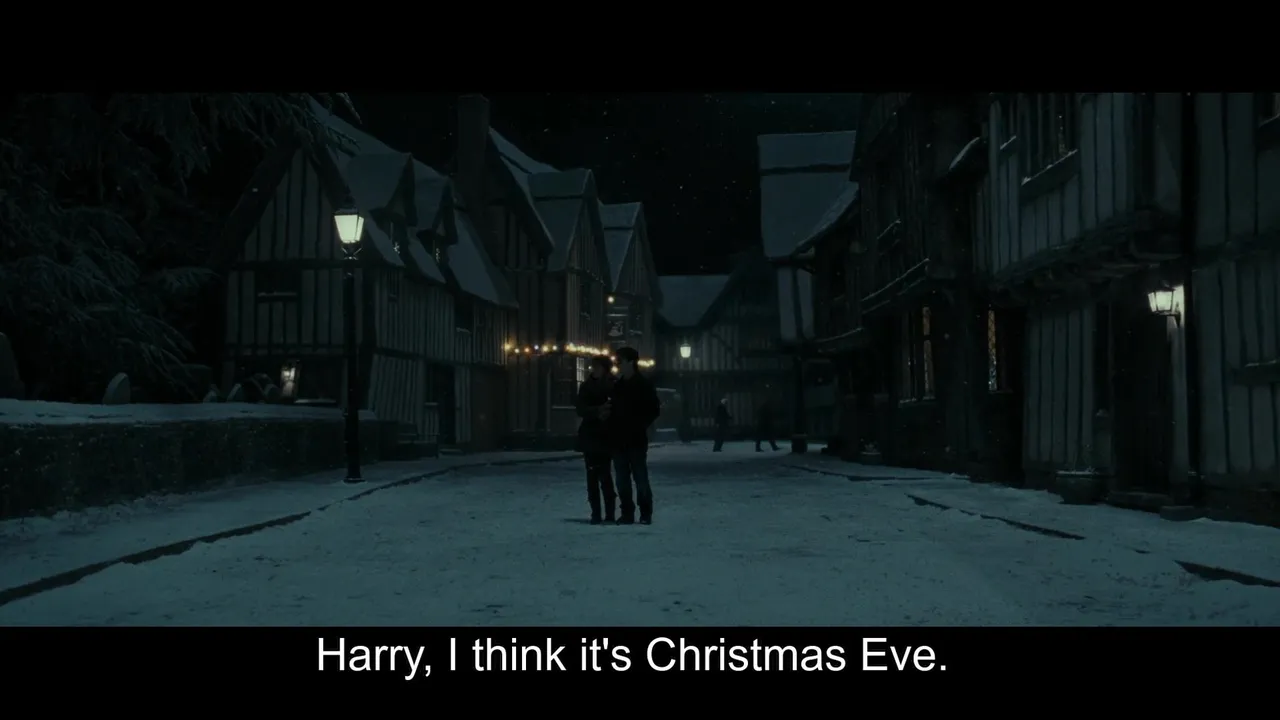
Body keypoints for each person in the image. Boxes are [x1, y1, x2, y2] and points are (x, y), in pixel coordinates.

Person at [607, 346, 661, 525]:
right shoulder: (618, 386)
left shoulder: (643, 385)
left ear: (631, 362)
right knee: (622, 479)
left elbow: (653, 409)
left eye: (620, 361)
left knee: (639, 477)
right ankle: (627, 512)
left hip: (635, 438)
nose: (618, 365)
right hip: (619, 438)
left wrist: (639, 424)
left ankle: (645, 512)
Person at [575, 355, 617, 524]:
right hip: (591, 435)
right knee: (592, 476)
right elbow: (580, 408)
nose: (595, 370)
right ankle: (596, 513)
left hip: (606, 435)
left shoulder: (613, 385)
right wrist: (597, 411)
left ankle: (609, 513)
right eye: (594, 367)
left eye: (598, 367)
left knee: (605, 475)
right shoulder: (587, 387)